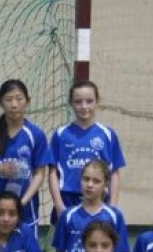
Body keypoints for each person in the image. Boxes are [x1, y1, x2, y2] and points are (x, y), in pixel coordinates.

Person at [0, 79, 51, 232]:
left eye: (19, 99)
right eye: (8, 100)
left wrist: (22, 202)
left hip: (25, 209)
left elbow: (39, 174)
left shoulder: (36, 134)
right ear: (1, 103)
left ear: (27, 102)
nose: (14, 105)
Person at [47, 79, 126, 220]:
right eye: (78, 102)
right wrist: (59, 206)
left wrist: (112, 207)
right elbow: (53, 173)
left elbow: (114, 173)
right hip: (68, 200)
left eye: (89, 101)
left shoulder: (107, 134)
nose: (84, 107)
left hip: (100, 201)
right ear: (70, 103)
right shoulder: (60, 134)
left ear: (97, 102)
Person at [51, 159, 129, 252]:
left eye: (96, 181)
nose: (90, 185)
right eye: (86, 179)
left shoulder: (115, 216)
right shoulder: (67, 215)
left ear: (106, 184)